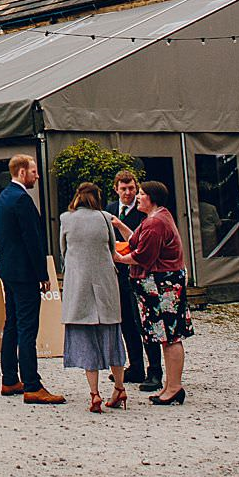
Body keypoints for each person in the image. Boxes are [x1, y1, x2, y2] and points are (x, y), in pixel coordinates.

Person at [0, 153, 64, 404]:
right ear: (22, 172)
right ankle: (32, 385)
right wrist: (42, 273)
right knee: (27, 327)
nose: (37, 176)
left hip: (9, 270)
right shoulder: (22, 200)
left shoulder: (4, 196)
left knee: (12, 324)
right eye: (34, 172)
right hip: (24, 272)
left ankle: (9, 378)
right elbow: (32, 239)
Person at [60, 181, 130, 413]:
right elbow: (112, 249)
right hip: (105, 284)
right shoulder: (105, 218)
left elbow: (63, 251)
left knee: (87, 340)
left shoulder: (66, 219)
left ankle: (94, 393)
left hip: (79, 285)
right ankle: (119, 387)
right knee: (112, 337)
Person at [125, 179, 192, 405]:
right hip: (162, 285)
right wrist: (118, 225)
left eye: (141, 193)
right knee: (166, 336)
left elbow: (143, 255)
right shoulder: (156, 218)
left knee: (170, 336)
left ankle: (174, 387)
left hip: (163, 286)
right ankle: (170, 385)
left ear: (152, 198)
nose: (137, 197)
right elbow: (135, 240)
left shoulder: (156, 222)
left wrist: (117, 258)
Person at [110, 168, 163, 392]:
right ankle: (136, 366)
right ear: (116, 189)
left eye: (132, 188)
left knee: (145, 323)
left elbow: (141, 242)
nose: (128, 193)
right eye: (123, 189)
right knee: (126, 322)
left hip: (140, 272)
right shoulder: (110, 210)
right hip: (118, 274)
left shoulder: (144, 212)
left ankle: (155, 370)